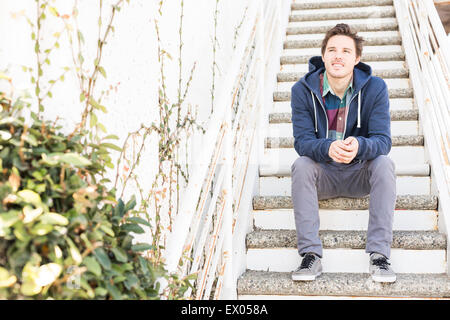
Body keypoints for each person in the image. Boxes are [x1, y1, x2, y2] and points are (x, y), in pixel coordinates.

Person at [290, 23, 396, 283]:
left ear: (356, 58)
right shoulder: (301, 90)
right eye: (332, 50)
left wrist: (360, 146)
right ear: (323, 55)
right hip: (323, 174)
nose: (339, 55)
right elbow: (302, 142)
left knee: (384, 163)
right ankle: (310, 256)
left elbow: (383, 141)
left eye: (346, 51)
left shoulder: (376, 88)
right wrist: (327, 147)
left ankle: (379, 257)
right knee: (301, 164)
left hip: (359, 173)